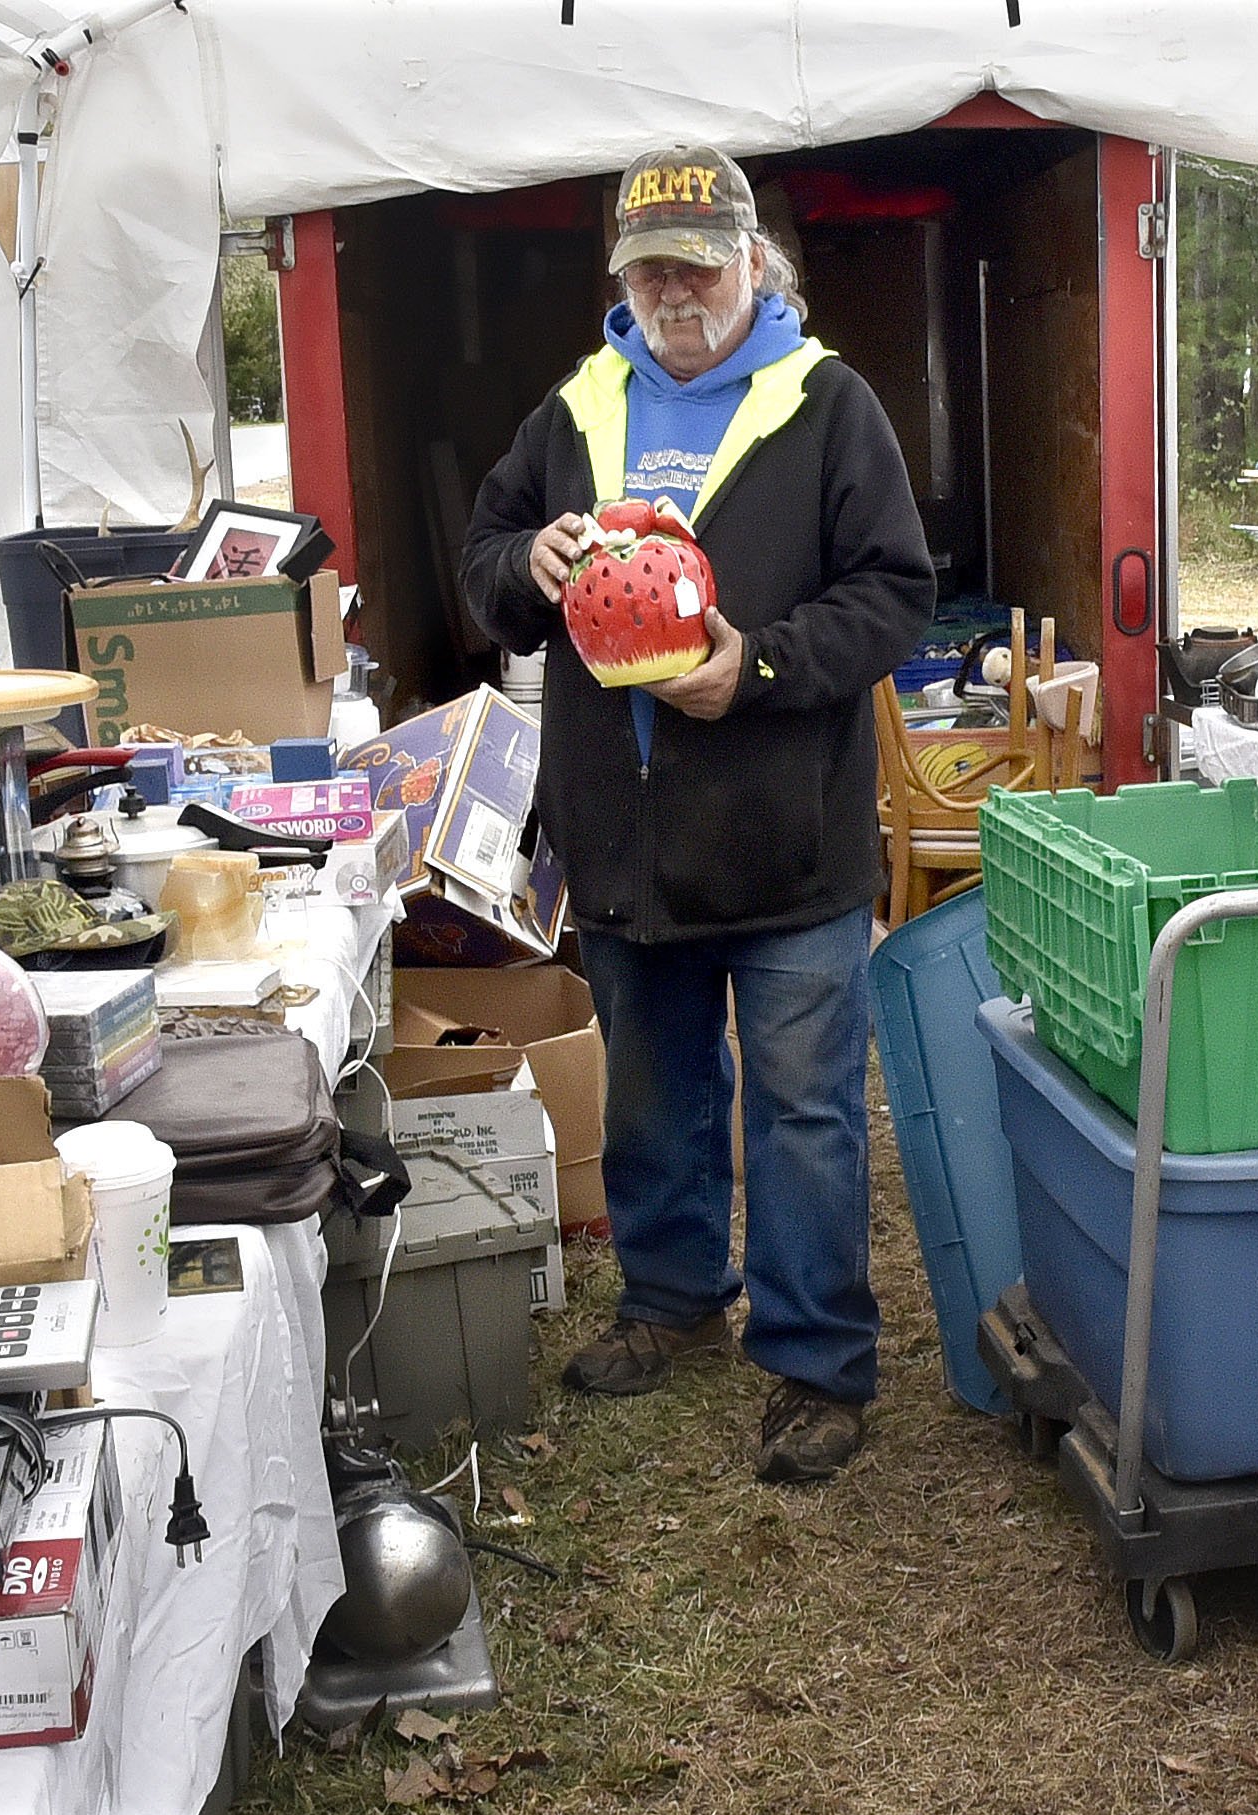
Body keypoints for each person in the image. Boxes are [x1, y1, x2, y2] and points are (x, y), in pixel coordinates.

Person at [460, 146, 934, 1483]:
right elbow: (484, 567)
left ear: (750, 260)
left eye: (693, 264)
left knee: (805, 1113)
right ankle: (671, 1300)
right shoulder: (576, 409)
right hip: (628, 846)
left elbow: (894, 593)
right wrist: (528, 562)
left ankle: (817, 1364)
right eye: (646, 269)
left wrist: (760, 667)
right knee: (657, 1096)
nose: (671, 290)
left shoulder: (826, 404)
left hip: (787, 842)